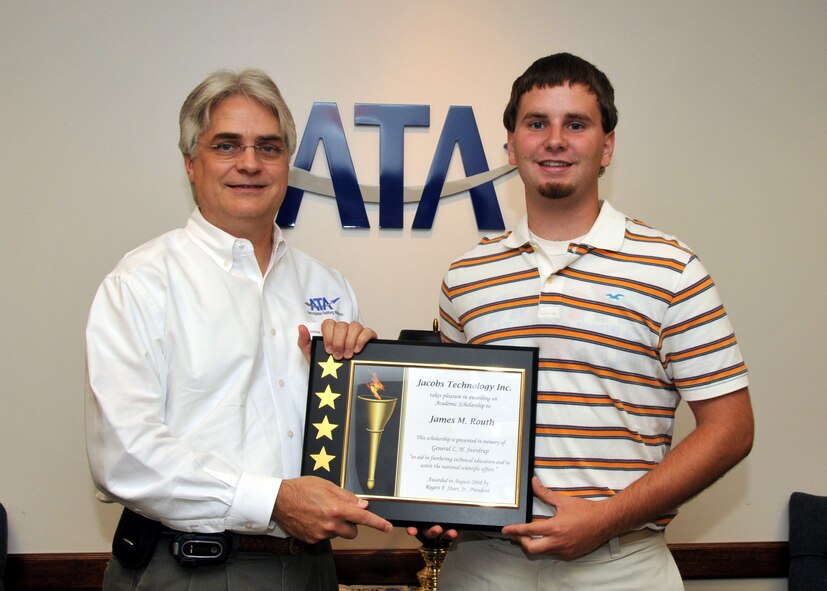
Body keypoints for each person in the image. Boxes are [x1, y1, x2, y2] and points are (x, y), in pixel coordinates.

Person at [419, 53, 754, 590]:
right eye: (537, 124)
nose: (555, 140)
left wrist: (604, 520)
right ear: (511, 144)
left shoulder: (672, 267)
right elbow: (449, 425)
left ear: (607, 145)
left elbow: (731, 429)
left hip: (621, 566)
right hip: (484, 567)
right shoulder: (466, 277)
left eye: (576, 124)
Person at [85, 68, 392, 590]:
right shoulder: (141, 282)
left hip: (310, 567)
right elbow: (124, 454)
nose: (250, 163)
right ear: (190, 162)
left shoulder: (329, 286)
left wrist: (368, 377)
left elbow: (351, 443)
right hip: (187, 567)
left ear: (287, 165)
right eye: (227, 145)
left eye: (268, 148)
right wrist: (272, 500)